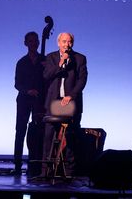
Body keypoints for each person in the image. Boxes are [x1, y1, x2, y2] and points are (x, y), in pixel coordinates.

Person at [42, 32, 88, 177]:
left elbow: (82, 80)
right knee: (49, 136)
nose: (66, 44)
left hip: (71, 102)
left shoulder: (80, 58)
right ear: (58, 43)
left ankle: (69, 173)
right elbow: (47, 75)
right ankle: (46, 171)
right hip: (54, 101)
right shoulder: (51, 57)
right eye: (64, 41)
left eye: (69, 42)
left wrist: (71, 96)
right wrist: (61, 63)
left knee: (70, 137)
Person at [13, 31, 46, 175]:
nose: (33, 43)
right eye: (30, 41)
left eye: (35, 40)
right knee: (20, 131)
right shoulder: (21, 62)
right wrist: (28, 91)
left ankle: (35, 164)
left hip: (39, 100)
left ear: (39, 42)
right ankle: (18, 166)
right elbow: (17, 84)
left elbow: (49, 80)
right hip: (24, 100)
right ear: (26, 43)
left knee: (38, 132)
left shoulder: (44, 60)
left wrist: (47, 68)